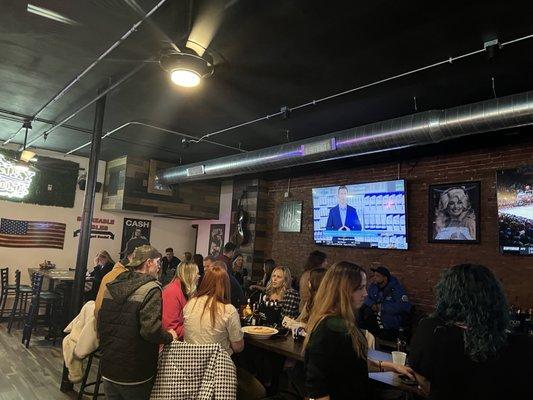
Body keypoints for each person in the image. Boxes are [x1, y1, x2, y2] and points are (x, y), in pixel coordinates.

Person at [408, 264, 529, 399]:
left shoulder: (431, 330)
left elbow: (420, 377)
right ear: (496, 297)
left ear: (445, 295)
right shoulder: (524, 345)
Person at [304, 262, 414, 400]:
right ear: (343, 290)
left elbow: (356, 363)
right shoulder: (329, 327)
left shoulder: (342, 322)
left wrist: (392, 366)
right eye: (360, 288)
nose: (366, 293)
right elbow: (316, 388)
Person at [98, 245, 177, 400]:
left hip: (108, 366)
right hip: (134, 371)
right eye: (157, 262)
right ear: (148, 263)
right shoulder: (151, 289)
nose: (159, 266)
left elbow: (101, 320)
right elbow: (150, 331)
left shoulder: (113, 284)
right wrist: (169, 336)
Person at [183, 265, 265, 399]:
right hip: (218, 372)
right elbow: (238, 347)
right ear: (226, 285)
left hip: (191, 369)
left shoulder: (190, 304)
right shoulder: (228, 310)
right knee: (259, 391)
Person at [358, 265, 412, 341]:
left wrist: (382, 307)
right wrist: (372, 304)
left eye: (378, 276)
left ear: (385, 278)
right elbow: (365, 297)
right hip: (374, 317)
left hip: (389, 321)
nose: (375, 278)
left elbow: (405, 306)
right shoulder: (373, 286)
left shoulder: (396, 289)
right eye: (374, 275)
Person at [94, 241, 140, 319]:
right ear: (134, 255)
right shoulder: (124, 276)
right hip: (112, 324)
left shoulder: (113, 272)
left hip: (104, 322)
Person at [162, 261, 199, 337]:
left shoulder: (187, 291)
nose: (199, 276)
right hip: (176, 342)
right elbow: (170, 328)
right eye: (196, 274)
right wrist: (196, 328)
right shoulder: (172, 292)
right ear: (189, 275)